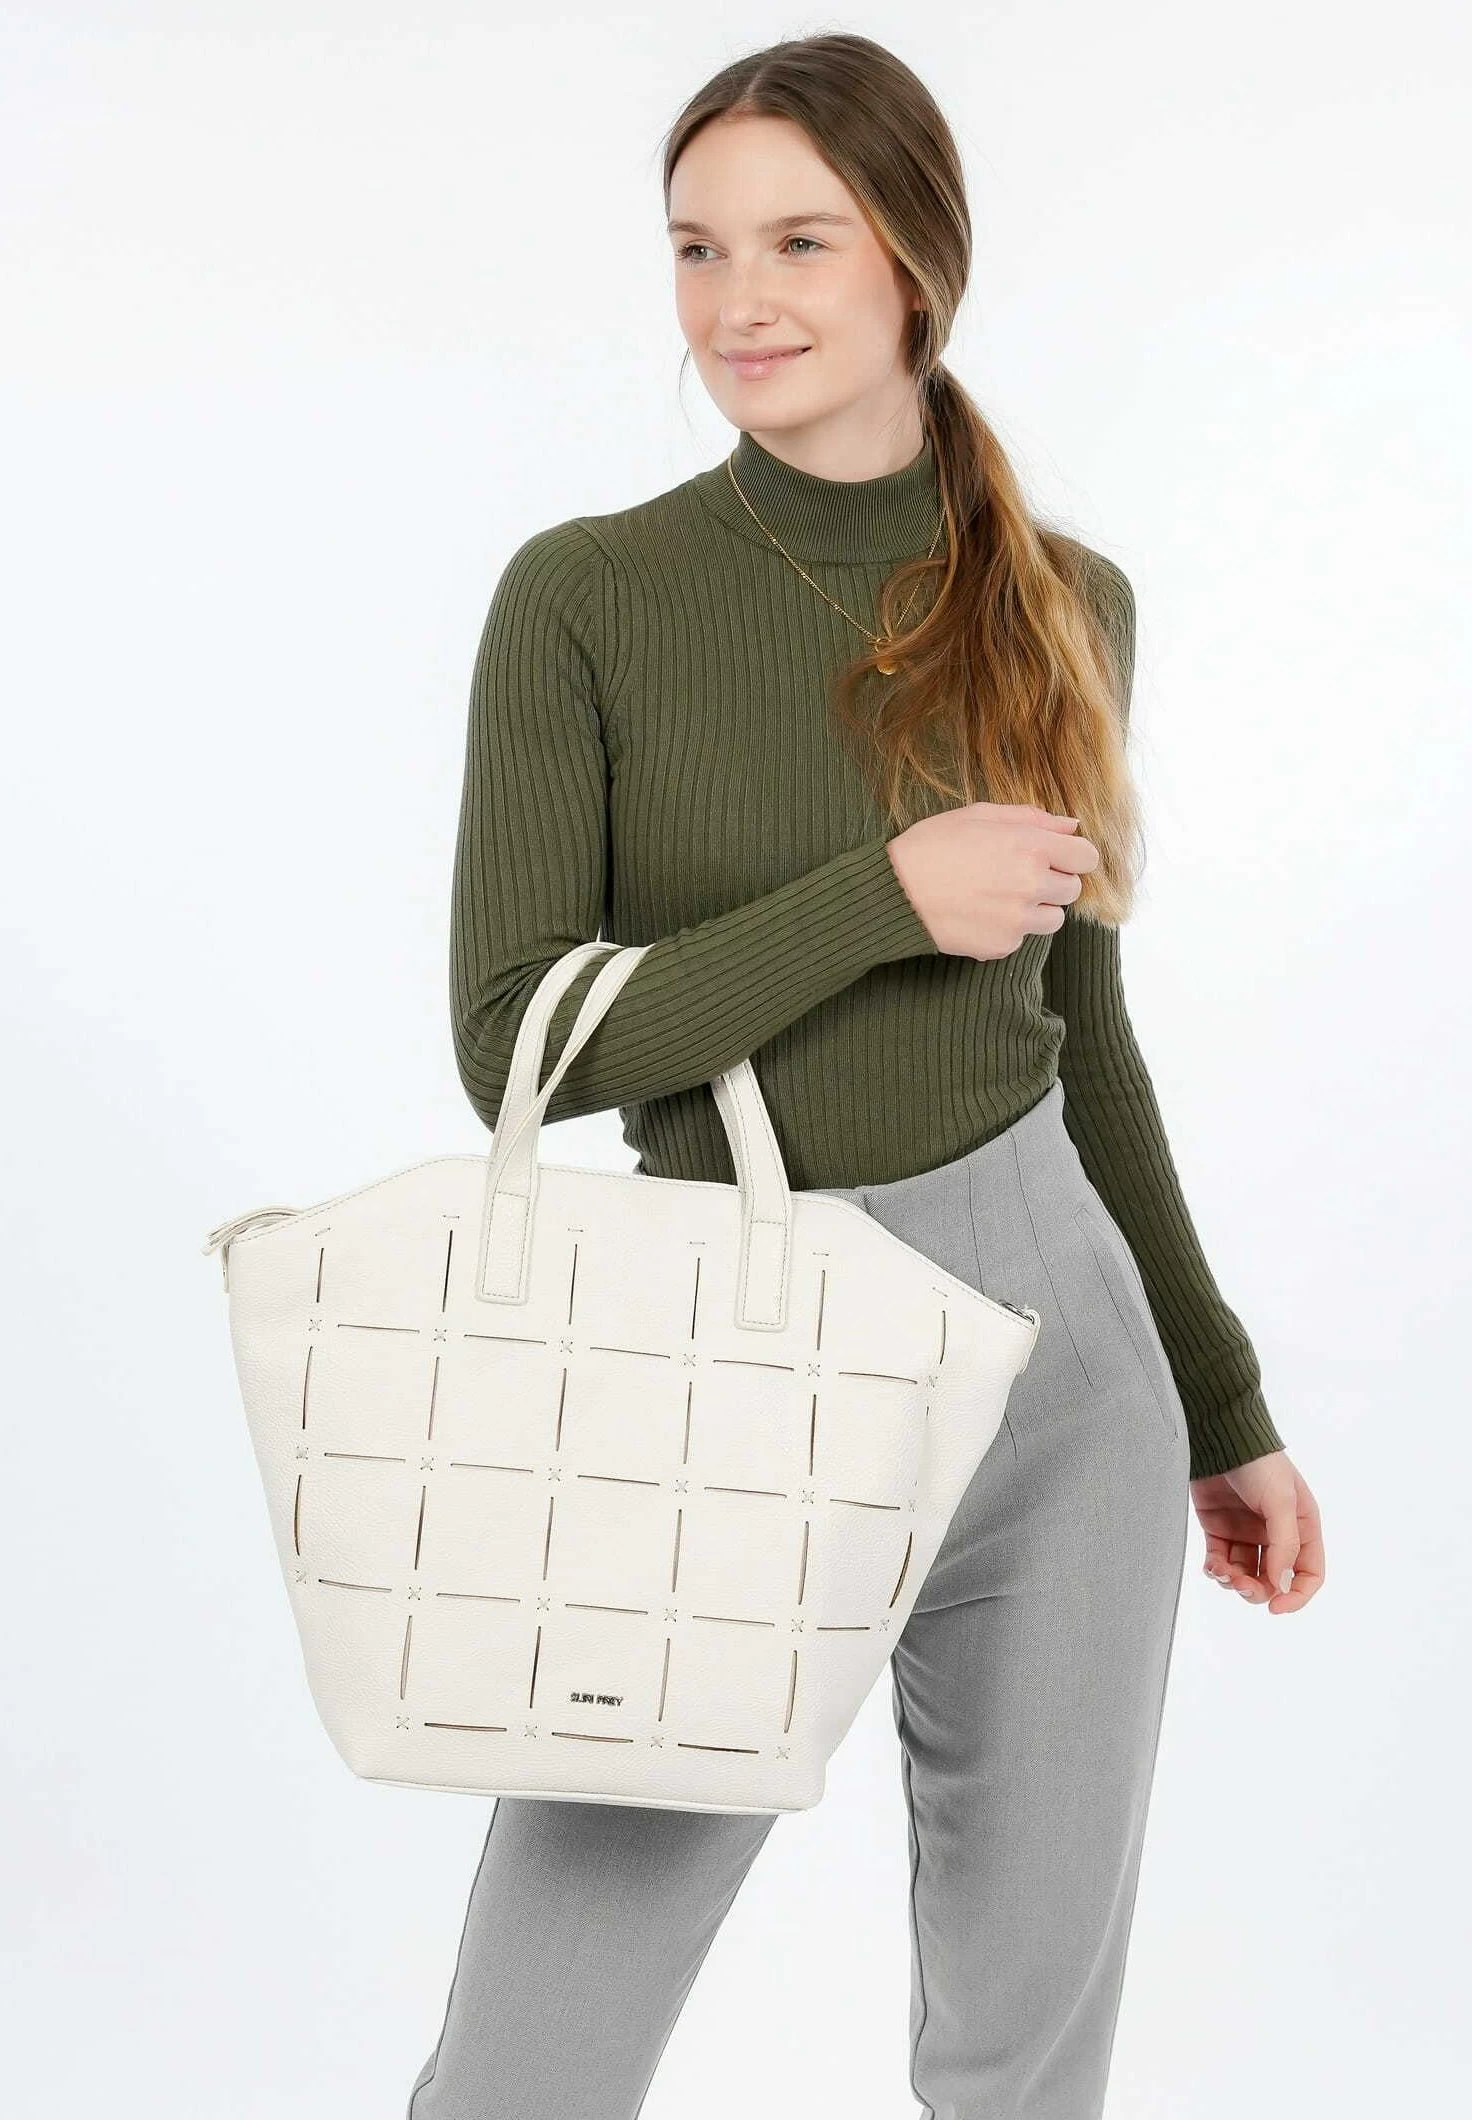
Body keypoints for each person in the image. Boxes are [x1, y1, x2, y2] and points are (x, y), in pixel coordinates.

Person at [406, 30, 1325, 2120]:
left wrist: (1221, 1404)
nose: (739, 298)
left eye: (799, 241)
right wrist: (878, 897)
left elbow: (1087, 1043)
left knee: (1024, 2064)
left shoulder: (1063, 603)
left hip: (1059, 1371)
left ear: (915, 257)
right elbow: (514, 1041)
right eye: (698, 247)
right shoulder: (591, 597)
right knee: (530, 2065)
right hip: (726, 1366)